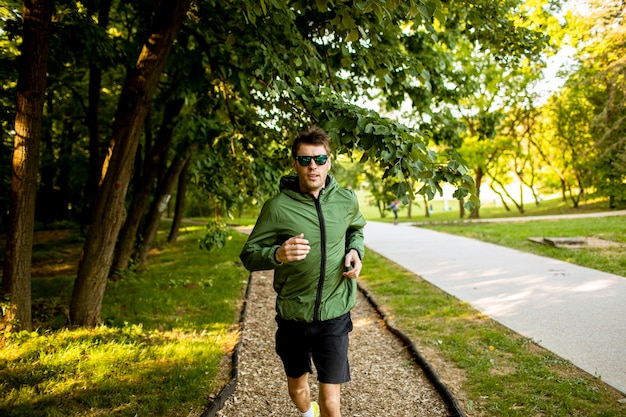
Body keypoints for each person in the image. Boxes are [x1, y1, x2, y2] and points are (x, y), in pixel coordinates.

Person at [239, 126, 366, 417]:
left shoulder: (346, 200)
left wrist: (355, 251)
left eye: (320, 160)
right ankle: (307, 414)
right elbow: (249, 256)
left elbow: (356, 229)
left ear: (329, 162)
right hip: (294, 314)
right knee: (298, 390)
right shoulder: (277, 207)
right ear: (294, 162)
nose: (313, 167)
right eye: (305, 159)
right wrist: (277, 254)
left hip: (334, 313)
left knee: (332, 403)